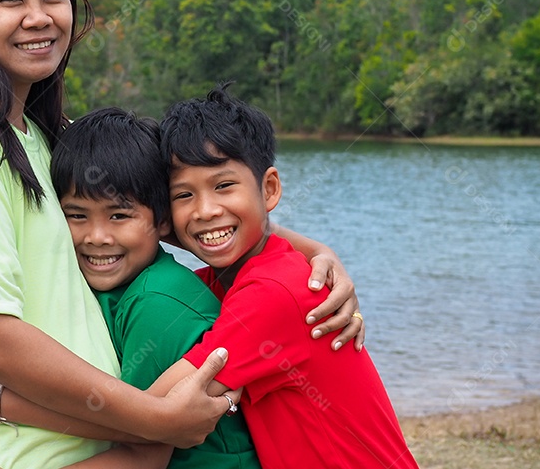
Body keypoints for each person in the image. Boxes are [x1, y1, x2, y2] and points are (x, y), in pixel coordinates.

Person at [0, 0, 361, 469]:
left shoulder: (51, 138)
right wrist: (157, 420)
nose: (39, 17)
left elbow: (180, 210)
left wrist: (316, 257)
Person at [0, 107, 261, 469]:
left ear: (163, 220)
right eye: (77, 216)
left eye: (119, 216)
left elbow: (144, 445)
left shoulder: (157, 302)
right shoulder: (96, 283)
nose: (97, 237)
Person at [159, 85, 418, 468]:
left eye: (223, 186)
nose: (205, 210)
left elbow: (157, 405)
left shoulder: (272, 292)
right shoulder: (230, 278)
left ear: (270, 189)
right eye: (183, 195)